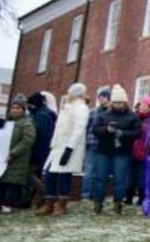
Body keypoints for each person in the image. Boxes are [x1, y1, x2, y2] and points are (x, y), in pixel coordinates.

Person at [38, 83, 90, 217]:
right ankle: (49, 202)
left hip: (68, 147)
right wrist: (54, 144)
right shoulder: (67, 107)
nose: (67, 95)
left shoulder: (81, 108)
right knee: (50, 175)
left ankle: (61, 204)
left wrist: (69, 149)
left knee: (64, 176)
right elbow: (59, 128)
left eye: (70, 92)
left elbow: (79, 129)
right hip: (58, 147)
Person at [91, 85, 141, 214]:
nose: (119, 105)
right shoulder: (103, 115)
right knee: (100, 178)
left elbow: (137, 132)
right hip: (104, 151)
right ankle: (98, 203)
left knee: (120, 179)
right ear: (112, 103)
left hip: (123, 152)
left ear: (125, 103)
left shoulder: (132, 116)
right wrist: (106, 130)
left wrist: (122, 133)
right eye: (116, 102)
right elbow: (95, 130)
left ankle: (118, 204)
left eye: (121, 103)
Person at [0, 95, 37, 214]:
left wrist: (14, 153)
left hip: (18, 159)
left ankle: (9, 205)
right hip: (3, 157)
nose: (15, 110)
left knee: (13, 183)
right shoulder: (8, 122)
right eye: (13, 107)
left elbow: (28, 141)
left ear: (23, 109)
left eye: (18, 108)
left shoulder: (27, 124)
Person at [26, 92, 57, 208]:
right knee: (34, 175)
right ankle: (33, 199)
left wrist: (34, 153)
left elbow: (40, 136)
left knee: (30, 175)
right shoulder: (47, 114)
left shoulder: (41, 116)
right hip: (44, 151)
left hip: (38, 151)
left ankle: (43, 194)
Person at [126, 95, 150, 206]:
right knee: (130, 175)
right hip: (132, 150)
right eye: (142, 105)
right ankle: (128, 196)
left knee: (142, 176)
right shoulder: (134, 117)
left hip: (145, 150)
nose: (142, 107)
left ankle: (141, 197)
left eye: (145, 105)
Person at [82, 89, 110, 201]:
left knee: (100, 172)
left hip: (104, 146)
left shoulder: (110, 112)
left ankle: (96, 194)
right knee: (88, 171)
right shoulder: (92, 112)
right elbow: (86, 127)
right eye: (100, 96)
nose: (102, 98)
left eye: (104, 96)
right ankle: (86, 194)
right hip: (91, 144)